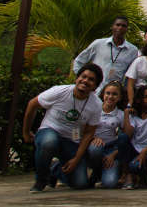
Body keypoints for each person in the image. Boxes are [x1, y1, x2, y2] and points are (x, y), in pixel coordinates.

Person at [22, 64, 104, 192]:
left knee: (80, 183)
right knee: (49, 142)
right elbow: (32, 104)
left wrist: (76, 159)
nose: (85, 81)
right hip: (50, 131)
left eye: (91, 79)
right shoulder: (59, 91)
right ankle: (41, 180)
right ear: (77, 79)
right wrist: (26, 132)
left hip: (71, 141)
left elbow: (89, 133)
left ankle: (55, 169)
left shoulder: (96, 104)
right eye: (83, 77)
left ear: (95, 87)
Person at [72, 16, 137, 91]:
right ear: (112, 27)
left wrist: (124, 90)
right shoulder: (98, 44)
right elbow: (79, 61)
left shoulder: (133, 50)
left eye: (123, 26)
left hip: (113, 94)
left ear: (127, 29)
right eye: (117, 25)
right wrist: (82, 80)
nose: (120, 27)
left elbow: (130, 75)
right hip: (94, 90)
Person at [121, 84, 147, 188]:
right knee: (122, 138)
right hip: (134, 150)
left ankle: (142, 174)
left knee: (135, 166)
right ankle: (128, 174)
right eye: (146, 96)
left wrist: (145, 151)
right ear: (139, 100)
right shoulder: (134, 114)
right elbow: (128, 135)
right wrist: (127, 115)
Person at [87, 81, 125, 189]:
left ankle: (100, 173)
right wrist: (92, 138)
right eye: (107, 93)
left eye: (114, 94)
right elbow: (82, 129)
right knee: (95, 149)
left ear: (119, 97)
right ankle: (96, 171)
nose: (110, 97)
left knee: (110, 183)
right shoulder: (94, 109)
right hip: (92, 145)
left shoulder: (120, 114)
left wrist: (113, 155)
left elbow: (126, 139)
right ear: (103, 95)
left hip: (111, 148)